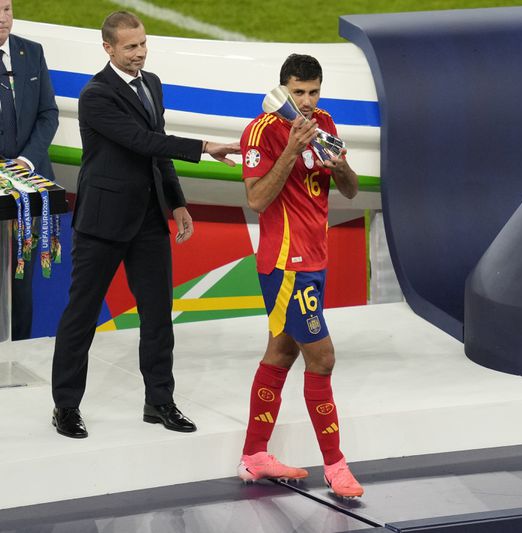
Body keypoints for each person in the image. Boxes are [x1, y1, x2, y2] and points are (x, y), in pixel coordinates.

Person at [50, 11, 239, 439]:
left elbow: (158, 152)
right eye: (130, 47)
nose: (139, 53)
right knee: (81, 315)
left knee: (157, 315)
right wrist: (207, 146)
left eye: (142, 44)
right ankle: (65, 406)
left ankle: (159, 401)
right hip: (102, 222)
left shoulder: (151, 83)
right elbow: (142, 141)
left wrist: (176, 203)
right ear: (109, 49)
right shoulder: (95, 95)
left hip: (149, 220)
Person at [238, 54, 363, 498]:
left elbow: (350, 189)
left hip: (316, 261)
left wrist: (338, 163)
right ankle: (335, 465)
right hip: (285, 265)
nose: (307, 102)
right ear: (283, 89)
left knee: (280, 354)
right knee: (322, 357)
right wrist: (293, 148)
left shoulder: (324, 121)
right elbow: (256, 199)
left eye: (313, 92)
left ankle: (254, 456)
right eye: (298, 92)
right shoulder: (260, 131)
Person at [0, 0, 59, 341]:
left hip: (28, 189)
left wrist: (25, 163)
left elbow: (48, 113)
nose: (2, 18)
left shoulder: (31, 53)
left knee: (21, 280)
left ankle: (18, 351)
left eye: (7, 9)